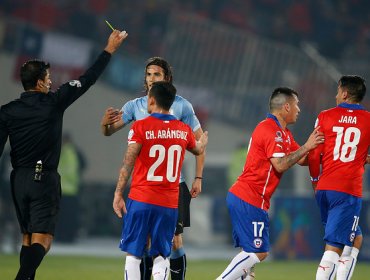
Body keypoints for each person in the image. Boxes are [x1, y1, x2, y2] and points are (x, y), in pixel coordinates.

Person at [0, 29, 127, 280]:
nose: (51, 82)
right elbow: (88, 78)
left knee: (27, 240)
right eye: (47, 78)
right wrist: (109, 50)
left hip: (18, 180)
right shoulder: (54, 102)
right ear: (38, 82)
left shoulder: (7, 111)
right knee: (43, 241)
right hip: (42, 179)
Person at [101, 57, 205, 280]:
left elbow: (198, 144)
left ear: (166, 78)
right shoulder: (134, 106)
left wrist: (198, 177)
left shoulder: (182, 106)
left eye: (156, 74)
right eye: (148, 74)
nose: (151, 79)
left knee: (173, 242)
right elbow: (199, 145)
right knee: (155, 246)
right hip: (155, 190)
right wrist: (104, 124)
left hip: (170, 186)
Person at [216, 87, 325, 280]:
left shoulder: (284, 133)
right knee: (259, 252)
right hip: (248, 197)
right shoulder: (269, 129)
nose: (299, 109)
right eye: (297, 105)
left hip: (251, 198)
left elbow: (301, 159)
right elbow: (281, 164)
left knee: (250, 258)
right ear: (286, 106)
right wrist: (308, 145)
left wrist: (329, 155)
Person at [308, 75, 370, 280]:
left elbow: (315, 154)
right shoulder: (367, 120)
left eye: (337, 91)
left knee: (355, 237)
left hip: (325, 188)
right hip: (348, 190)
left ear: (345, 94)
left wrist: (315, 182)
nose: (335, 96)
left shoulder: (325, 116)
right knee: (333, 247)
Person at [55, 133, 86, 243]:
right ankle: (69, 237)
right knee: (70, 216)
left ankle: (61, 236)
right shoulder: (75, 152)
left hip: (60, 189)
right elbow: (83, 165)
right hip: (72, 189)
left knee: (60, 216)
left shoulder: (60, 151)